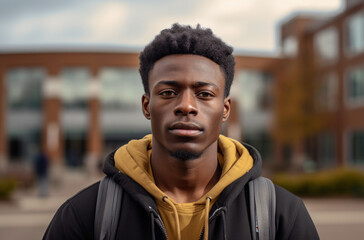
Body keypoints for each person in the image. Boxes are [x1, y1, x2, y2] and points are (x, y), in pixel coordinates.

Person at [43, 23, 319, 240]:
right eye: (168, 92)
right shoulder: (87, 215)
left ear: (225, 109)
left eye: (204, 93)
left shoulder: (280, 215)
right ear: (147, 105)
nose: (186, 106)